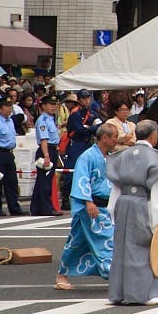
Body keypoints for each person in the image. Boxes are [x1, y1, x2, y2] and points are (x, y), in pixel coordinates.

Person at [104, 119, 158, 305]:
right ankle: (144, 294)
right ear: (153, 136)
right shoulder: (156, 158)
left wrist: (113, 209)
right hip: (142, 204)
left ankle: (119, 293)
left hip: (123, 201)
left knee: (122, 248)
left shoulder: (123, 155)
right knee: (144, 247)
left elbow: (116, 187)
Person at [55, 119, 118, 291]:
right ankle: (114, 275)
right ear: (104, 137)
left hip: (105, 206)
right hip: (90, 206)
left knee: (76, 242)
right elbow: (81, 180)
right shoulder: (87, 156)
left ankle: (62, 274)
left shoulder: (109, 157)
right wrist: (88, 202)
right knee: (107, 239)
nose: (116, 141)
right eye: (114, 137)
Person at [0, 96, 20, 217]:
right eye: (6, 107)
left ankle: (14, 207)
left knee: (12, 181)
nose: (9, 109)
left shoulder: (10, 120)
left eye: (10, 106)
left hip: (8, 153)